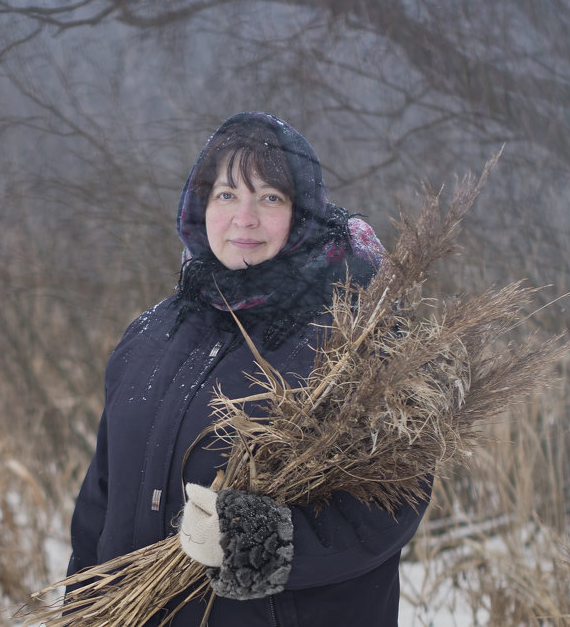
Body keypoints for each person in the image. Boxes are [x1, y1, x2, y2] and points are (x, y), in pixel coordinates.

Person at [67, 112, 428, 625]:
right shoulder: (150, 336)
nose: (245, 218)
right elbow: (100, 501)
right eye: (227, 195)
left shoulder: (353, 339)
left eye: (270, 198)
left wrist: (251, 540)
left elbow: (389, 505)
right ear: (200, 206)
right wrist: (83, 607)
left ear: (303, 211)